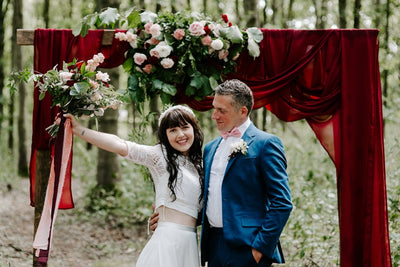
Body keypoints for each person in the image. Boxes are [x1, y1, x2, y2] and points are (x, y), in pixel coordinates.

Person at [64, 105, 204, 267]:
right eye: (173, 130)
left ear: (194, 129)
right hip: (168, 240)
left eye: (185, 127)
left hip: (190, 243)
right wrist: (79, 129)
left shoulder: (200, 164)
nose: (180, 135)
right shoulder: (160, 156)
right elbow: (120, 144)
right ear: (165, 135)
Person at [200, 79, 293, 267]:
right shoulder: (210, 148)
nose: (214, 116)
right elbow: (210, 197)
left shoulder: (266, 144)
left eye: (221, 110)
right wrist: (169, 215)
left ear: (243, 111)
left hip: (248, 247)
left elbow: (282, 202)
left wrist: (259, 249)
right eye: (214, 108)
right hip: (214, 247)